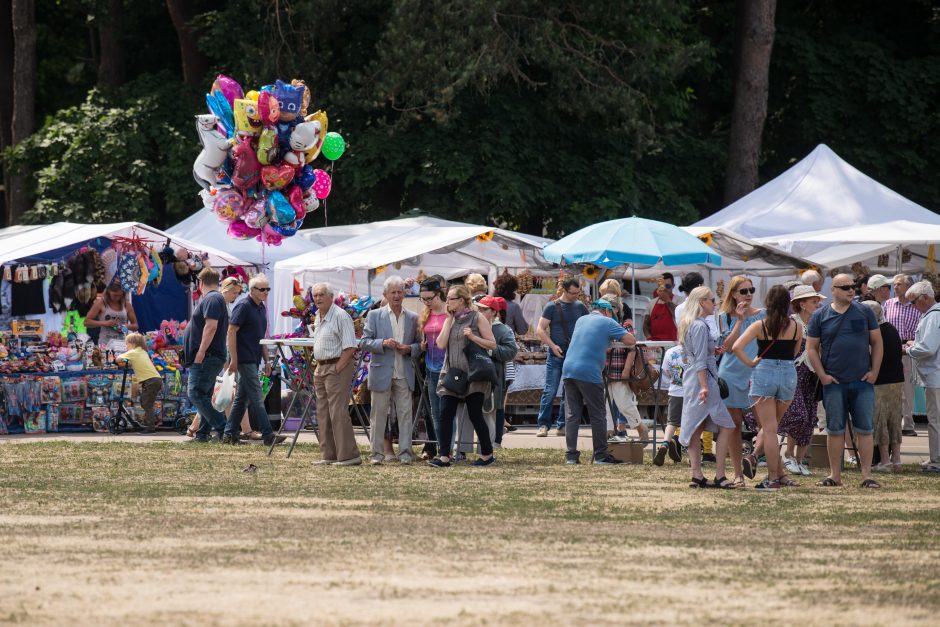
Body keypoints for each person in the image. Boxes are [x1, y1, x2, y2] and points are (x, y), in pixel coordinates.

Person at [805, 273, 883, 489]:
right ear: (833, 290)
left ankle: (866, 476)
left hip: (862, 381)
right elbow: (811, 348)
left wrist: (874, 371)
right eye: (846, 287)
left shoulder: (865, 311)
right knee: (835, 429)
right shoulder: (820, 315)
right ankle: (835, 476)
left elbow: (877, 342)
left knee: (865, 429)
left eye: (853, 286)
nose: (851, 290)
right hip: (834, 383)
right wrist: (822, 375)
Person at [733, 285, 803, 491]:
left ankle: (772, 478)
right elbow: (796, 352)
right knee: (772, 427)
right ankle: (779, 474)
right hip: (788, 374)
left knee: (769, 429)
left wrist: (751, 363)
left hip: (764, 373)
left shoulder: (760, 326)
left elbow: (737, 346)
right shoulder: (797, 327)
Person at [562, 299, 636, 465]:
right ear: (608, 311)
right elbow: (630, 340)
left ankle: (571, 456)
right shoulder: (607, 321)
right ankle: (601, 455)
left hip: (568, 369)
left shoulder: (581, 319)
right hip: (589, 371)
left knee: (573, 414)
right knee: (598, 415)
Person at [430, 284, 496, 468]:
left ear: (461, 300)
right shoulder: (448, 320)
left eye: (450, 298)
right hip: (453, 374)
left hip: (474, 374)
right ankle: (444, 456)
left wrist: (473, 337)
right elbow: (441, 344)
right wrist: (449, 321)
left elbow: (492, 344)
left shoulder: (477, 317)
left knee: (475, 415)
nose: (447, 302)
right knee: (445, 413)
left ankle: (487, 454)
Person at [677, 286, 736, 488]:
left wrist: (713, 351)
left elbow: (694, 356)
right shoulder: (700, 326)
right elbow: (700, 359)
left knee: (696, 427)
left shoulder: (690, 323)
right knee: (726, 425)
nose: (715, 303)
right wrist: (704, 386)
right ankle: (719, 474)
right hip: (703, 380)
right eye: (712, 300)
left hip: (694, 378)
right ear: (702, 302)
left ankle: (697, 474)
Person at [359, 276, 421, 464]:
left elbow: (420, 345)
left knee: (405, 414)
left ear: (404, 294)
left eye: (400, 292)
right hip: (381, 372)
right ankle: (376, 455)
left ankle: (405, 453)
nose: (396, 295)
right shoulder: (375, 315)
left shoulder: (413, 317)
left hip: (404, 372)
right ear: (385, 294)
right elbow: (364, 342)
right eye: (393, 292)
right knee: (378, 415)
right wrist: (383, 343)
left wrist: (410, 349)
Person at [717, 275, 765, 484]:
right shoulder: (724, 316)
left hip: (756, 372)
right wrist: (739, 321)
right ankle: (738, 475)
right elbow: (726, 347)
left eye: (751, 291)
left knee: (766, 424)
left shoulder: (764, 315)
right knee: (734, 425)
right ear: (734, 294)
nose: (748, 295)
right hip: (731, 372)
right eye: (743, 291)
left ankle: (753, 457)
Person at [222, 274, 280, 446]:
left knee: (242, 398)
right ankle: (268, 435)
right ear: (252, 290)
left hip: (254, 358)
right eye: (262, 289)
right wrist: (233, 359)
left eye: (267, 289)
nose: (266, 292)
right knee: (256, 396)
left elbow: (261, 337)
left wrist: (267, 360)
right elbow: (231, 332)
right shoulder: (243, 306)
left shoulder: (261, 308)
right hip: (243, 358)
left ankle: (229, 433)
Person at [310, 282, 361, 466]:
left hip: (337, 366)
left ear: (331, 297)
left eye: (322, 294)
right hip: (321, 368)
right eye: (315, 295)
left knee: (338, 412)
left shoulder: (341, 316)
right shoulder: (317, 315)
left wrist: (337, 368)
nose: (318, 298)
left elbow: (350, 347)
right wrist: (319, 367)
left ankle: (349, 456)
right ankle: (328, 455)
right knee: (323, 413)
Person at [778, 285, 825, 476]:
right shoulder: (791, 322)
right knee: (799, 414)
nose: (818, 304)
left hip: (812, 374)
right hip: (794, 372)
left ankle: (799, 459)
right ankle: (788, 454)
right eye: (814, 301)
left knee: (810, 417)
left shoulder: (817, 322)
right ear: (802, 304)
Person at [534, 278, 588, 437]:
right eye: (573, 293)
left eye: (578, 293)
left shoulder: (580, 306)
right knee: (550, 390)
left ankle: (562, 425)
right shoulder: (552, 306)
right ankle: (543, 424)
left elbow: (588, 325)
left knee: (568, 391)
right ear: (564, 290)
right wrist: (553, 346)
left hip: (574, 355)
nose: (575, 296)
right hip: (556, 354)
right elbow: (540, 329)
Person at [182, 267, 229, 443]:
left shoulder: (212, 298)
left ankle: (224, 428)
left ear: (200, 283)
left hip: (207, 355)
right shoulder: (215, 299)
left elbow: (211, 327)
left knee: (195, 393)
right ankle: (202, 434)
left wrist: (200, 352)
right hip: (210, 355)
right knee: (204, 395)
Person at [861, 300, 904, 472]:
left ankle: (885, 460)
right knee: (894, 420)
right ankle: (897, 460)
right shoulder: (892, 329)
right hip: (896, 380)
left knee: (880, 421)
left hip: (881, 382)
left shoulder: (876, 332)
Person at [903, 281, 940, 474]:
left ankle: (937, 459)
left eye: (914, 302)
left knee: (935, 420)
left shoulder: (934, 316)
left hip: (935, 376)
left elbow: (928, 347)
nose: (913, 307)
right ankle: (935, 456)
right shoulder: (932, 315)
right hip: (934, 375)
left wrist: (909, 348)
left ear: (925, 298)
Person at [476, 296, 518, 449]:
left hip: (495, 375)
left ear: (493, 312)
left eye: (484, 309)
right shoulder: (473, 325)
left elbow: (511, 351)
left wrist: (491, 349)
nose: (479, 312)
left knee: (496, 406)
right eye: (478, 308)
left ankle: (495, 442)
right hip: (475, 375)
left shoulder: (503, 330)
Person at [884, 274, 921, 437]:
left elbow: (919, 330)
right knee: (890, 387)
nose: (895, 287)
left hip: (907, 350)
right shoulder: (889, 304)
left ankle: (908, 423)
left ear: (908, 287)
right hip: (890, 351)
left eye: (899, 284)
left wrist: (909, 345)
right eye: (894, 284)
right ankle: (891, 422)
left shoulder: (916, 306)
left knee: (908, 389)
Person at [602, 319, 649, 444]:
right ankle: (609, 434)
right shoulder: (602, 325)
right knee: (604, 405)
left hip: (619, 371)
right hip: (604, 372)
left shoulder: (625, 326)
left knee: (624, 403)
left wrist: (626, 369)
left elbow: (632, 349)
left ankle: (641, 428)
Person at [418, 275, 448, 459]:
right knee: (434, 412)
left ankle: (448, 449)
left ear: (439, 294)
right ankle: (438, 448)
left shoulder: (449, 313)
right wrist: (422, 344)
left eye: (430, 298)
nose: (427, 302)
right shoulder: (425, 314)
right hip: (430, 367)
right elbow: (425, 336)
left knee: (446, 412)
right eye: (424, 299)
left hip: (448, 368)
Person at [115, 332, 163, 433]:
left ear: (132, 344)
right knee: (146, 402)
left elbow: (118, 358)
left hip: (150, 381)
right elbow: (137, 363)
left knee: (146, 404)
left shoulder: (133, 352)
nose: (126, 346)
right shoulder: (142, 351)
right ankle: (148, 423)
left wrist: (120, 359)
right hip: (155, 379)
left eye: (126, 344)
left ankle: (150, 427)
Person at [652, 343, 686, 466]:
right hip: (691, 392)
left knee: (672, 422)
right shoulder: (695, 351)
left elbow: (666, 371)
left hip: (675, 391)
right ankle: (693, 455)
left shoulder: (670, 352)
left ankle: (665, 442)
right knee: (693, 424)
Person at [674, 272, 718, 340]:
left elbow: (681, 334)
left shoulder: (679, 308)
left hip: (686, 347)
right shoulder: (705, 305)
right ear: (699, 287)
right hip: (704, 346)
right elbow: (714, 335)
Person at [643, 273, 678, 341]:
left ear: (673, 286)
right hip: (655, 344)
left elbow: (678, 316)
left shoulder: (679, 300)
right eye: (661, 286)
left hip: (673, 343)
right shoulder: (651, 303)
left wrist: (667, 300)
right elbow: (645, 325)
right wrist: (649, 339)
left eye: (667, 286)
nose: (664, 289)